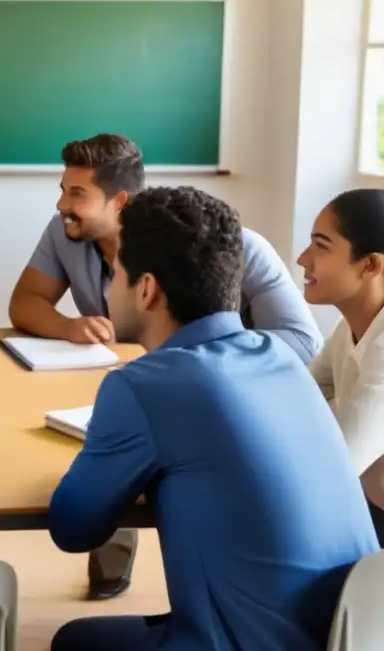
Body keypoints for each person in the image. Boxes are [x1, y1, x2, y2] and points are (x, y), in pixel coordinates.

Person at [48, 186, 378, 651]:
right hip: (348, 636)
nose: (108, 286)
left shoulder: (144, 384)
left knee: (74, 641)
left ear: (146, 289)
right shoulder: (280, 357)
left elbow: (72, 529)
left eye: (116, 271)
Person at [8, 133, 323, 599]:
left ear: (146, 288)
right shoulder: (72, 237)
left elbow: (303, 342)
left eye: (117, 276)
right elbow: (24, 303)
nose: (62, 205)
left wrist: (200, 367)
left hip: (211, 405)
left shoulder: (233, 249)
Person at [299, 189, 384, 546]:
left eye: (321, 245)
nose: (303, 259)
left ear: (371, 265)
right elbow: (292, 397)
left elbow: (336, 469)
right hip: (367, 509)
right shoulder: (347, 328)